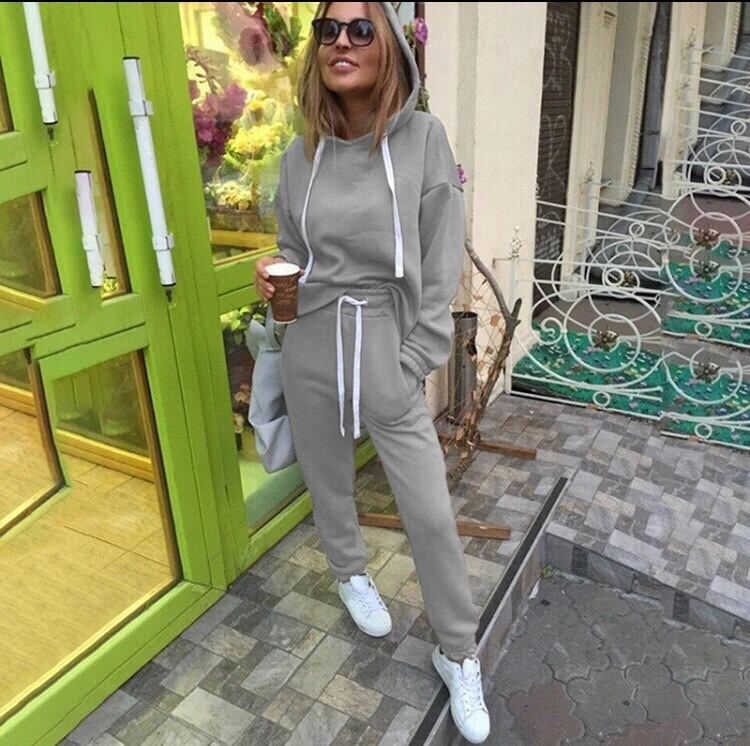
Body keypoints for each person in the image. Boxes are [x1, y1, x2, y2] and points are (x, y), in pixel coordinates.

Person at [254, 3, 490, 742]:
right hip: (312, 340)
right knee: (327, 480)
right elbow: (294, 249)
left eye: (361, 28)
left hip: (387, 343)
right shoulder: (300, 154)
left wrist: (412, 359)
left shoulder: (423, 141)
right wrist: (276, 286)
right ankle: (350, 571)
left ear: (389, 44)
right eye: (328, 29)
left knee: (429, 511)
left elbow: (442, 260)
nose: (342, 41)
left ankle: (458, 651)